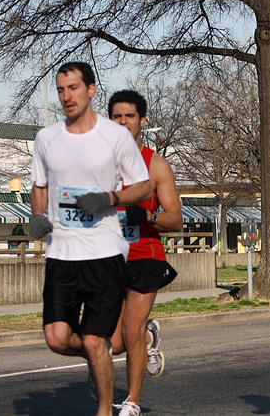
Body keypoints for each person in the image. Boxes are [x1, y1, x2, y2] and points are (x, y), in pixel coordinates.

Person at [29, 62, 152, 416]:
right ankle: (98, 356)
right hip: (62, 255)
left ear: (91, 90)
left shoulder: (114, 137)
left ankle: (103, 410)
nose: (67, 97)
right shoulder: (46, 138)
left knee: (97, 340)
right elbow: (40, 186)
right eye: (61, 90)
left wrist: (109, 199)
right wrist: (38, 217)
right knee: (57, 338)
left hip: (104, 253)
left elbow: (143, 186)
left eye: (74, 88)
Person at [107, 90, 182, 416]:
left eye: (129, 116)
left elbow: (176, 219)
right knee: (112, 343)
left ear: (142, 121)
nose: (123, 122)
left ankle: (132, 402)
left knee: (131, 330)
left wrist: (147, 216)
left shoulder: (156, 165)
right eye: (116, 116)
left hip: (145, 255)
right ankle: (150, 337)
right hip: (108, 257)